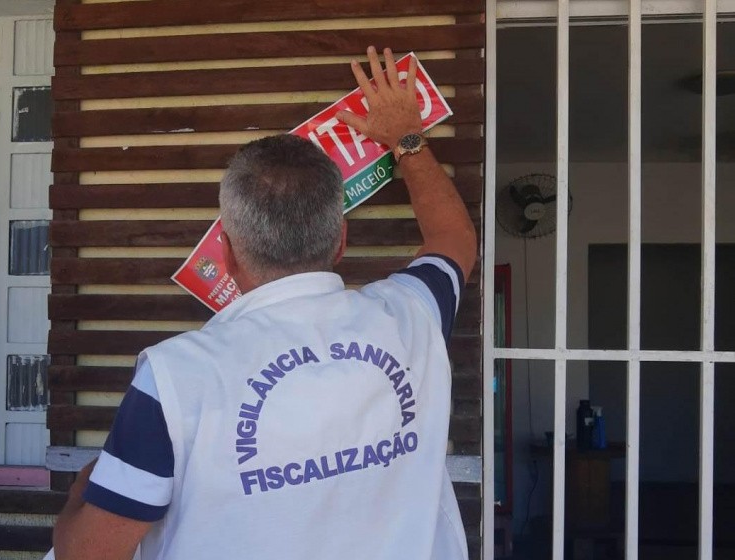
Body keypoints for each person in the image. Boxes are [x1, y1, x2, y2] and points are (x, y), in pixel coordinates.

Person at [52, 46, 477, 560]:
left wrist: (81, 491)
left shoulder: (175, 379)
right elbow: (453, 240)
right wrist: (407, 138)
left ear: (226, 252)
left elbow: (87, 554)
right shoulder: (411, 316)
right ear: (341, 240)